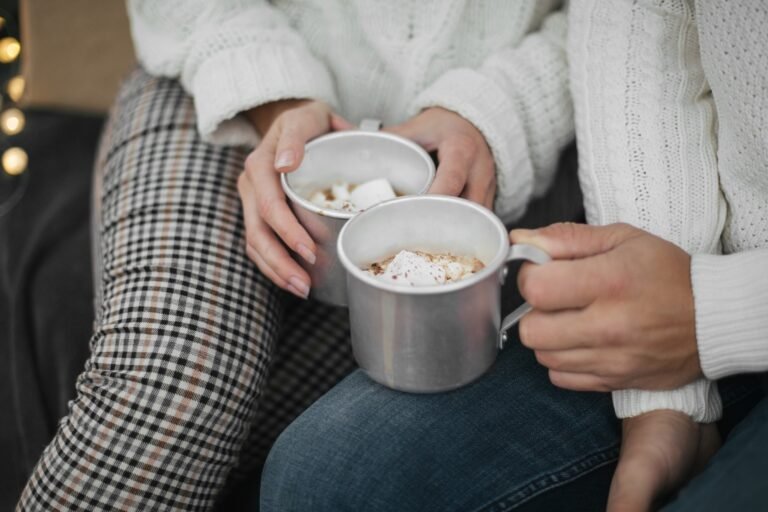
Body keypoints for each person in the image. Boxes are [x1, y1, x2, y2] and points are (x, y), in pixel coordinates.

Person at [17, 1, 575, 509]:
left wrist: (498, 110)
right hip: (221, 70)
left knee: (274, 442)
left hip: (484, 138)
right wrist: (271, 93)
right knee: (167, 398)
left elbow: (630, 28)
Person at [259, 1, 767, 511]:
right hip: (684, 286)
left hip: (732, 305)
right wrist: (663, 399)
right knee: (319, 477)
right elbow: (646, 40)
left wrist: (717, 314)